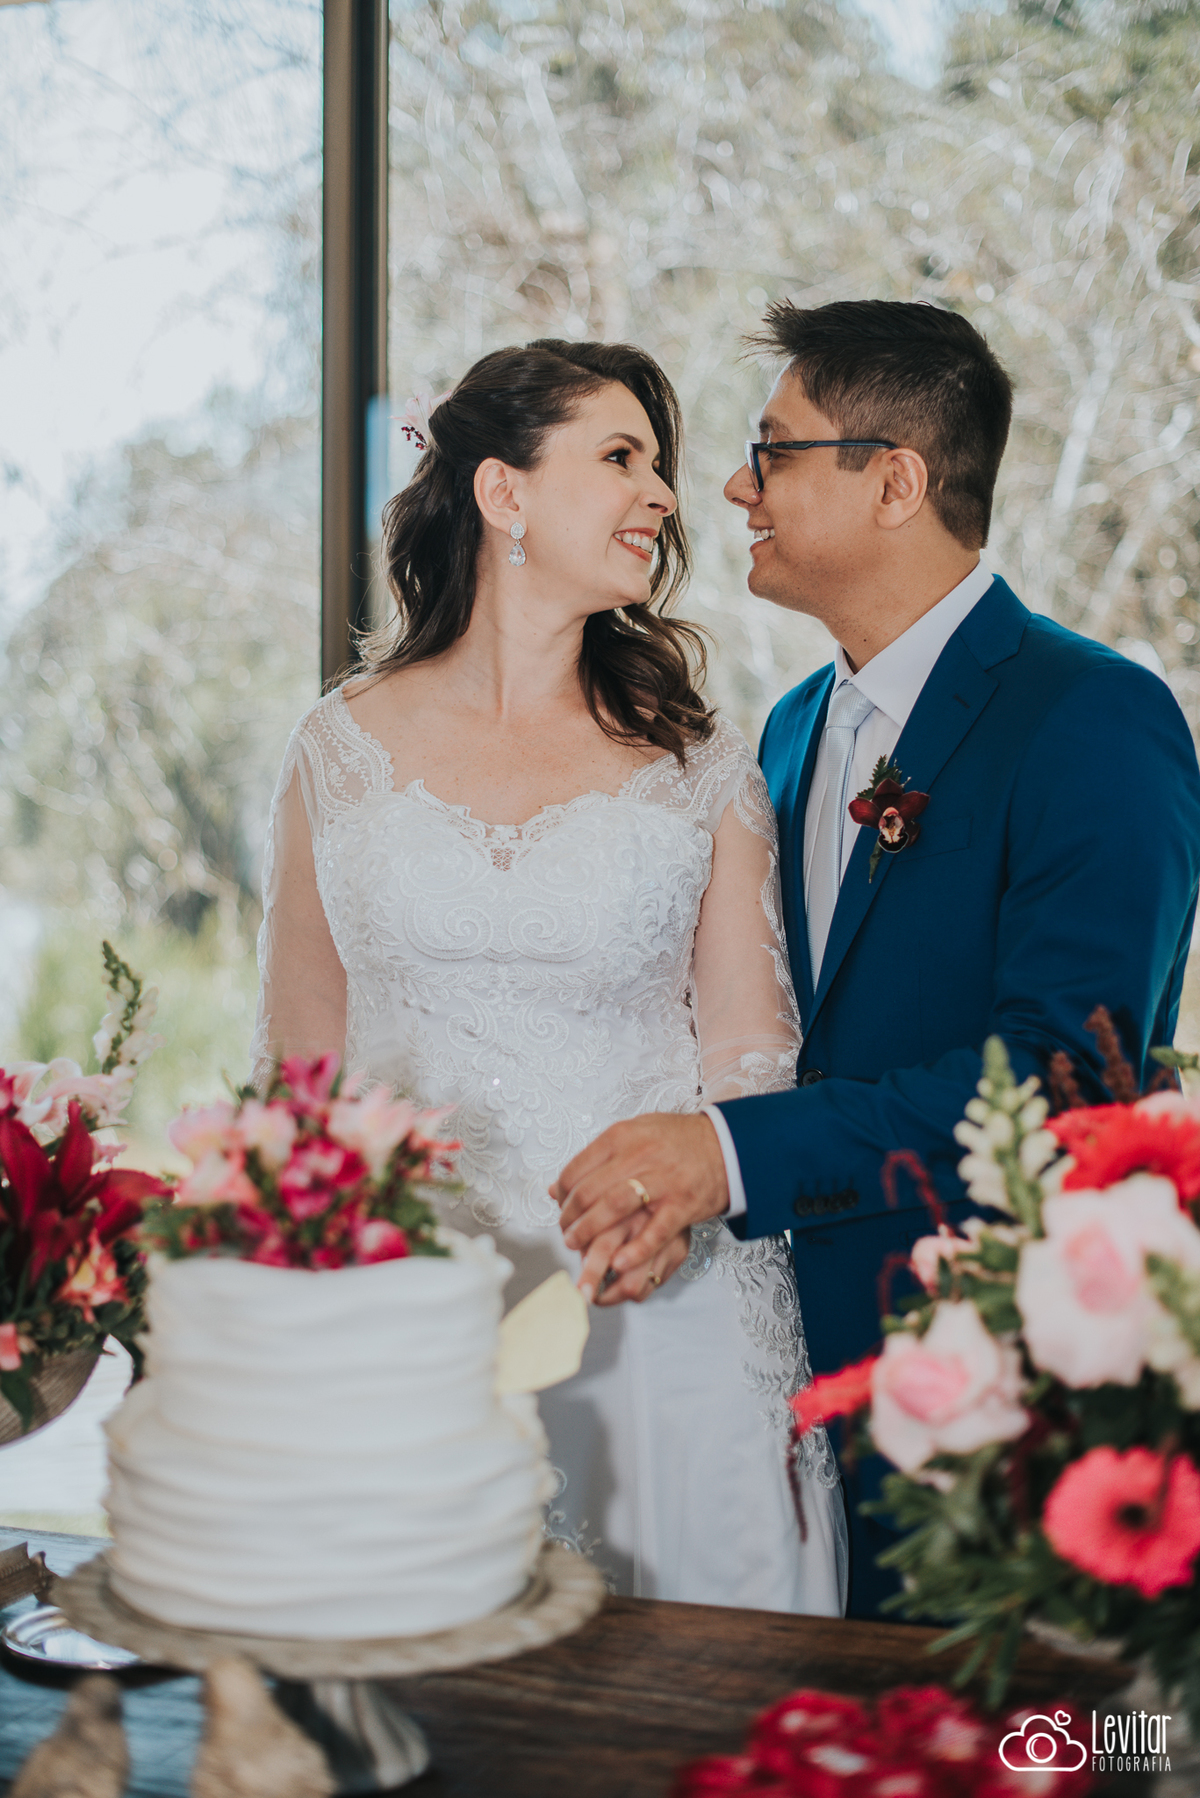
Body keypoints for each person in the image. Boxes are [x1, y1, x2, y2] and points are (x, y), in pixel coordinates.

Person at [553, 299, 1200, 1617]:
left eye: (773, 451)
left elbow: (1069, 1082)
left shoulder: (1092, 717)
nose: (732, 486)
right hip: (776, 1393)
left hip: (984, 1404)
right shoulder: (787, 732)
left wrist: (730, 1156)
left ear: (895, 478)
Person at [252, 339, 846, 1613]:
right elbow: (295, 1071)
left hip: (659, 1307)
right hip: (417, 1315)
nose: (666, 496)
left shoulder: (698, 760)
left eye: (661, 466)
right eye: (621, 457)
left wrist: (684, 1193)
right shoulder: (337, 750)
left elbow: (752, 1048)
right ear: (503, 493)